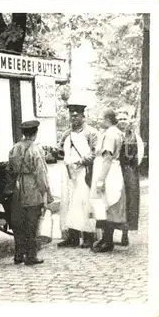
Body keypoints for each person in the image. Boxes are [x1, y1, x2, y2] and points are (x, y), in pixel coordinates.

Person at [3, 120, 54, 266]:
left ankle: (18, 255)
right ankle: (31, 256)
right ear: (35, 133)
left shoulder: (14, 149)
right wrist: (46, 194)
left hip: (18, 189)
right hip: (32, 189)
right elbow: (41, 174)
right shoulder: (35, 150)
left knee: (18, 224)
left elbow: (9, 170)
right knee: (32, 223)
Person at [57, 104, 100, 248]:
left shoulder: (91, 133)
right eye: (71, 115)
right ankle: (72, 237)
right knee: (69, 203)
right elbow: (60, 150)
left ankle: (88, 237)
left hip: (84, 172)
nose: (73, 118)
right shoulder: (67, 134)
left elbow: (95, 153)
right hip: (69, 174)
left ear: (83, 116)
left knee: (85, 203)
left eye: (76, 115)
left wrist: (81, 161)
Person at [90, 109, 127, 253]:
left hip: (109, 172)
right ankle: (105, 238)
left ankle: (108, 240)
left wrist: (101, 180)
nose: (99, 121)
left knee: (108, 204)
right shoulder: (112, 132)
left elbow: (107, 158)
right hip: (109, 170)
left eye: (101, 118)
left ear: (108, 119)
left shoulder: (111, 134)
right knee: (104, 205)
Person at [115, 108, 143, 246]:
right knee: (114, 200)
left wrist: (131, 168)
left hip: (129, 172)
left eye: (124, 119)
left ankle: (125, 234)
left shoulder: (134, 136)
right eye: (119, 119)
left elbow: (140, 156)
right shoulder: (113, 134)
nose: (122, 122)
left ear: (129, 120)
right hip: (115, 171)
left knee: (129, 202)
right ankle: (109, 233)